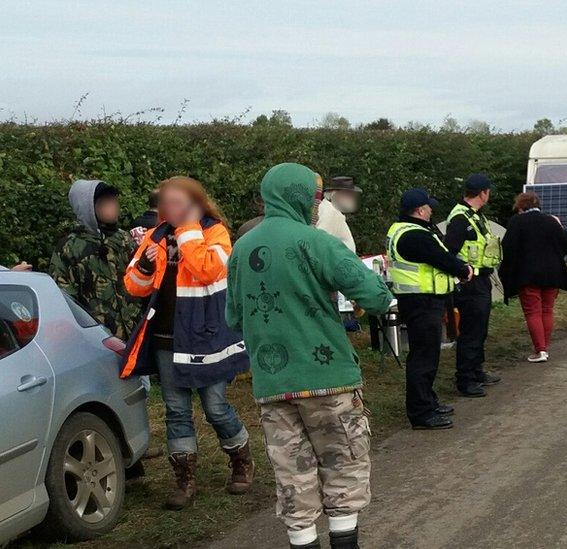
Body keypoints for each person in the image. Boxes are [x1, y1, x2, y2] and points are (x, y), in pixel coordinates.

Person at [226, 163, 392, 549]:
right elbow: (376, 296)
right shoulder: (317, 242)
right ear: (300, 196)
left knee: (292, 475)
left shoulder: (242, 249)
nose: (318, 205)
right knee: (342, 467)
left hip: (273, 385)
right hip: (327, 379)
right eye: (315, 197)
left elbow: (233, 316)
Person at [122, 176, 252, 511]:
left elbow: (209, 270)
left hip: (208, 338)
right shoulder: (156, 235)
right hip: (167, 339)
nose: (172, 208)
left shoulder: (215, 232)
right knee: (176, 411)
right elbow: (134, 285)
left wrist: (188, 231)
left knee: (215, 407)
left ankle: (241, 459)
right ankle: (184, 480)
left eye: (179, 201)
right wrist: (148, 264)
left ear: (196, 202)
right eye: (167, 202)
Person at [389, 188, 472, 429]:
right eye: (428, 207)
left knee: (426, 355)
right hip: (421, 302)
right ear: (419, 210)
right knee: (423, 358)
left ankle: (428, 401)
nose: (431, 210)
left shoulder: (402, 229)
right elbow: (442, 258)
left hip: (419, 301)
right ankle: (421, 413)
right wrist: (464, 270)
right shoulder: (415, 235)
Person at [50, 179, 141, 340]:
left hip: (135, 331)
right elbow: (65, 296)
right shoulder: (70, 247)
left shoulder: (124, 239)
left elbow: (140, 280)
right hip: (98, 337)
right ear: (89, 208)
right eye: (106, 202)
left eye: (114, 201)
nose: (113, 206)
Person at [499, 192, 567, 363]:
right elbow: (566, 242)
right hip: (552, 273)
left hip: (528, 274)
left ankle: (540, 350)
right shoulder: (551, 221)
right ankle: (545, 347)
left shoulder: (516, 222)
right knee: (547, 310)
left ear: (521, 207)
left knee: (533, 312)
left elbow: (508, 248)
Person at [445, 174, 502, 397]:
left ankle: (476, 370)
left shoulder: (475, 216)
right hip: (469, 282)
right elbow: (449, 250)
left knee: (480, 329)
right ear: (483, 193)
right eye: (488, 191)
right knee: (470, 331)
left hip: (481, 279)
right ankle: (465, 379)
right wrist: (462, 271)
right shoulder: (460, 218)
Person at [316, 176, 361, 253]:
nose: (351, 198)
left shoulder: (327, 207)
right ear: (335, 195)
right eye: (347, 194)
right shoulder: (331, 213)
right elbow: (318, 244)